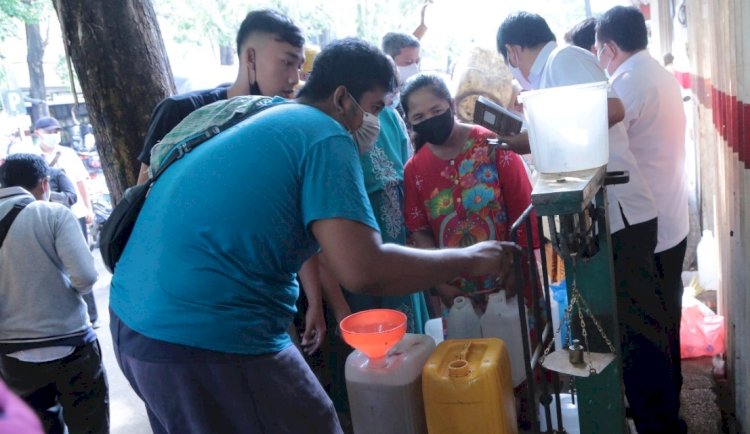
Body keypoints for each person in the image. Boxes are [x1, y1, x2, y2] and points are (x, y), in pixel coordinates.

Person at [109, 38, 516, 434]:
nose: (374, 121)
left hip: (136, 324)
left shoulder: (268, 116)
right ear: (342, 98)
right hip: (202, 335)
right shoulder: (325, 134)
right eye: (374, 107)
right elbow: (363, 268)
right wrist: (472, 258)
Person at [497, 12, 680, 433]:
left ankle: (664, 426)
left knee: (640, 338)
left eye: (510, 61)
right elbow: (571, 134)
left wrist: (537, 136)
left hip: (623, 215)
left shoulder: (562, 60)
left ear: (512, 50)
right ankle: (650, 418)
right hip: (611, 218)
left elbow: (610, 109)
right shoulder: (550, 74)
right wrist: (523, 140)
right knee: (629, 335)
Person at [596, 6, 689, 428]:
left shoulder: (626, 84)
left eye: (599, 51)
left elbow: (599, 140)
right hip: (673, 222)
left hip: (648, 229)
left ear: (610, 47)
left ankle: (660, 419)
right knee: (666, 323)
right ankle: (669, 408)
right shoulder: (658, 74)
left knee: (645, 336)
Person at [402, 73, 538, 307]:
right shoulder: (414, 170)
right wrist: (440, 282)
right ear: (409, 122)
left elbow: (523, 207)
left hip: (511, 278)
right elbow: (418, 230)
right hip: (456, 293)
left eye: (436, 110)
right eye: (419, 116)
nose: (430, 120)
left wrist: (518, 266)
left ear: (451, 105)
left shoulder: (491, 144)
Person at [0, 154, 108, 434]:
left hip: (12, 355)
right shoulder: (53, 213)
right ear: (44, 183)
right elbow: (85, 276)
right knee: (89, 425)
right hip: (71, 344)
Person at [136, 9, 306, 184]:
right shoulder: (179, 111)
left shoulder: (287, 125)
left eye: (299, 67)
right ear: (250, 57)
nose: (295, 79)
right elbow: (142, 197)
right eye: (286, 62)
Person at [32, 116, 100, 328]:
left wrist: (88, 208)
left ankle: (92, 315)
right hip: (42, 217)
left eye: (56, 131)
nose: (53, 135)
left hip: (74, 214)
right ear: (38, 133)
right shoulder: (30, 155)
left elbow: (80, 184)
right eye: (49, 131)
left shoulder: (68, 154)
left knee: (79, 260)